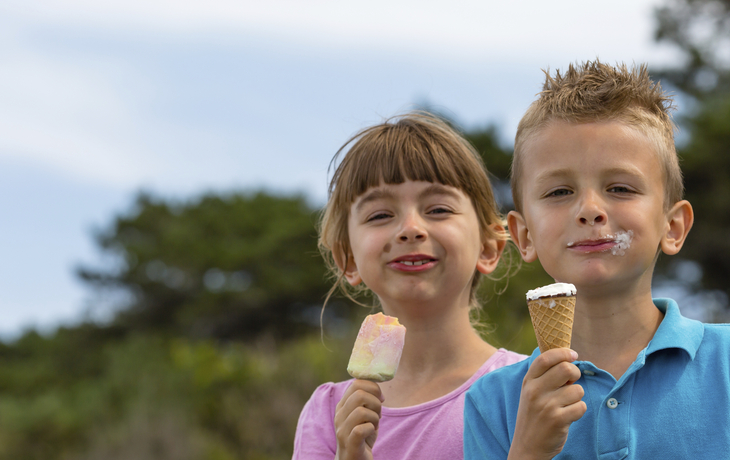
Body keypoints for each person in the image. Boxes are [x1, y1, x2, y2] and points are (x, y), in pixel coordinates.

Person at [464, 60, 730, 459]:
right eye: (559, 192)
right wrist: (528, 450)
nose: (590, 209)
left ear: (673, 226)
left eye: (620, 188)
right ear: (524, 236)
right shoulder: (493, 402)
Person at [292, 111, 525, 459]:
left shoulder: (530, 388)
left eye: (439, 209)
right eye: (380, 215)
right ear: (348, 259)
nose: (411, 228)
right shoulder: (327, 415)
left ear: (488, 247)